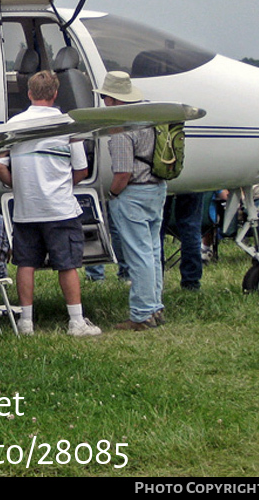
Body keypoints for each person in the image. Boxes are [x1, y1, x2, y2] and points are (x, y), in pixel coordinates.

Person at [0, 70, 100, 337]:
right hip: (60, 207)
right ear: (55, 94)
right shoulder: (68, 124)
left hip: (27, 209)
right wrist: (63, 183)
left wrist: (18, 184)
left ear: (29, 94)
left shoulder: (14, 124)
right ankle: (76, 320)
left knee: (26, 263)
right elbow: (82, 170)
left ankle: (25, 321)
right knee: (67, 263)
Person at [96, 71, 168, 331]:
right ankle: (155, 306)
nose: (104, 101)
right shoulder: (150, 117)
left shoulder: (121, 128)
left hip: (133, 193)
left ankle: (141, 314)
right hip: (157, 188)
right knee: (152, 251)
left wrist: (112, 194)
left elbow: (123, 173)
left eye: (105, 96)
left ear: (114, 100)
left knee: (138, 256)